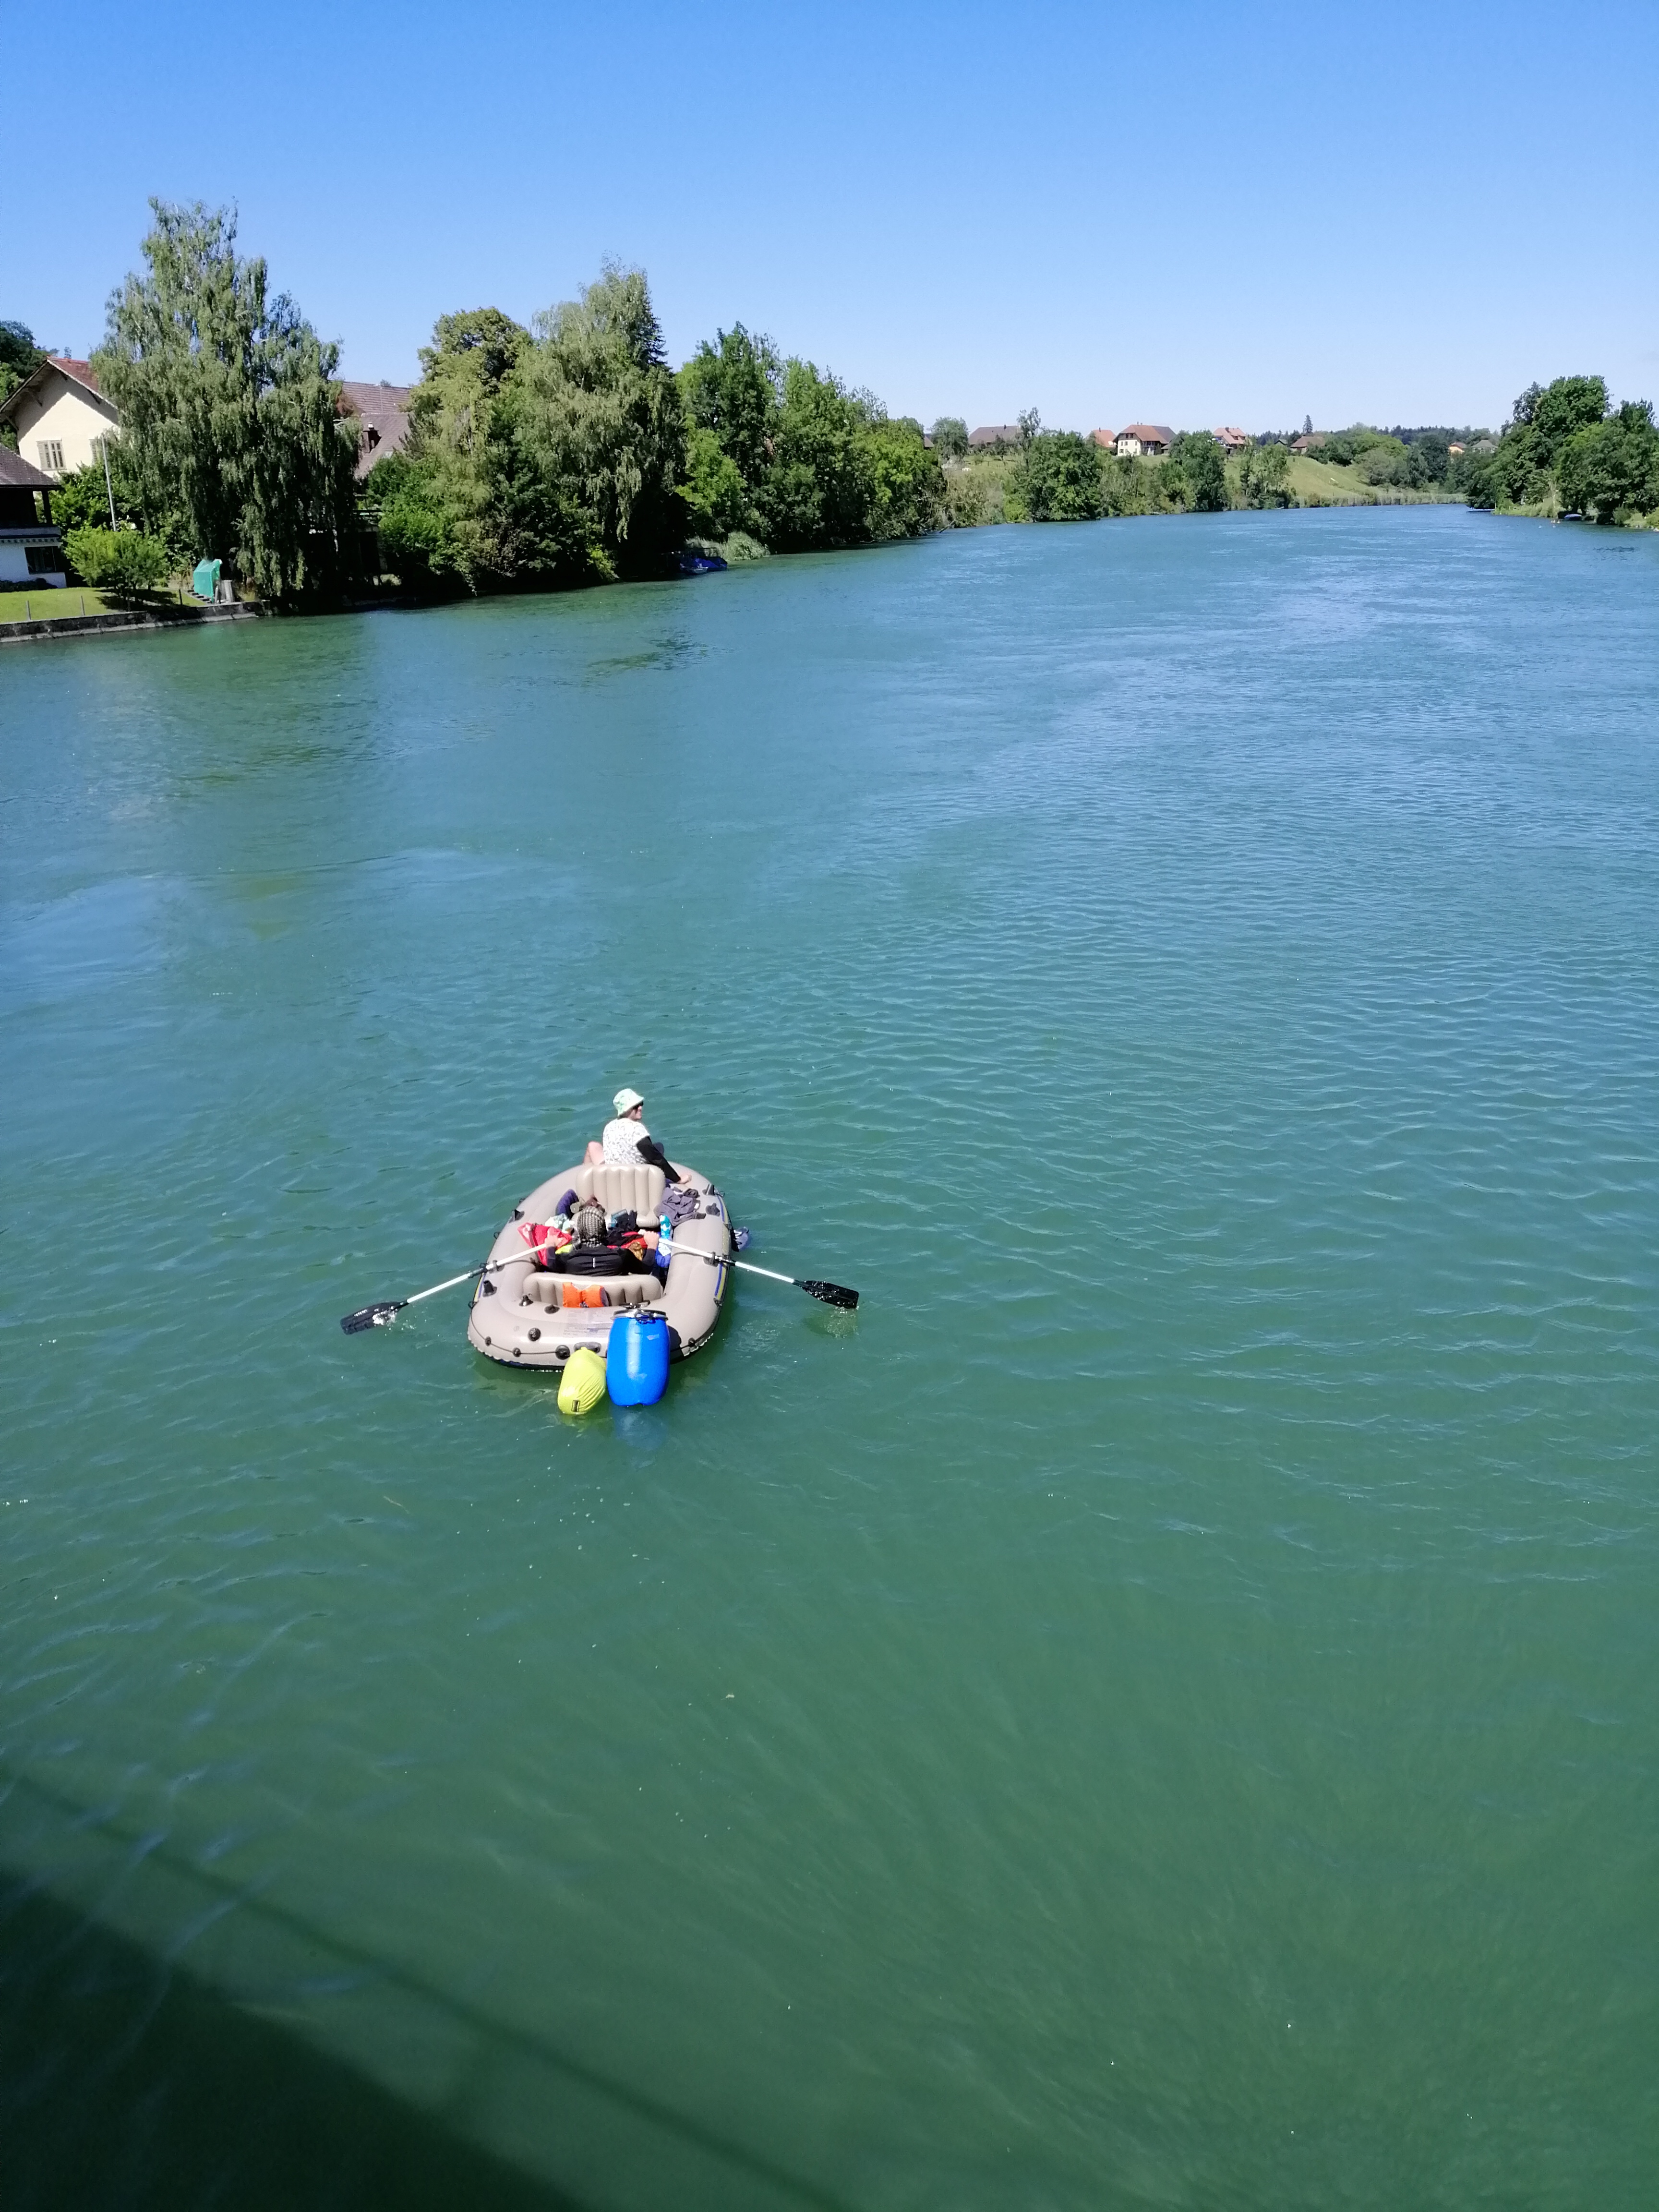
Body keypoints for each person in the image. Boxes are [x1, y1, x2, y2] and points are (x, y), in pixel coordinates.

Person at [585, 1088, 681, 1182]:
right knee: (659, 1147)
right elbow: (655, 1158)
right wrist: (677, 1179)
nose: (640, 1108)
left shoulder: (609, 1127)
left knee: (593, 1146)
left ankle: (585, 1181)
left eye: (641, 1104)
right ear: (626, 1110)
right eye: (636, 1106)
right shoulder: (637, 1129)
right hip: (634, 1179)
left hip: (612, 1176)